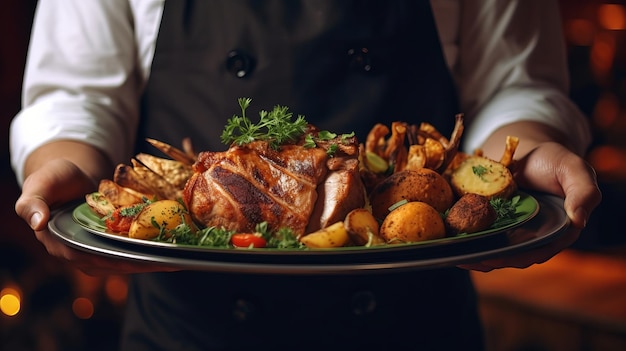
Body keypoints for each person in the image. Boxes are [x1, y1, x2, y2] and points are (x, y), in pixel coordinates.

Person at [11, 0, 601, 350]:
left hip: (410, 326)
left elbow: (512, 83)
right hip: (190, 330)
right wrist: (63, 165)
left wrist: (531, 153)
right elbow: (77, 93)